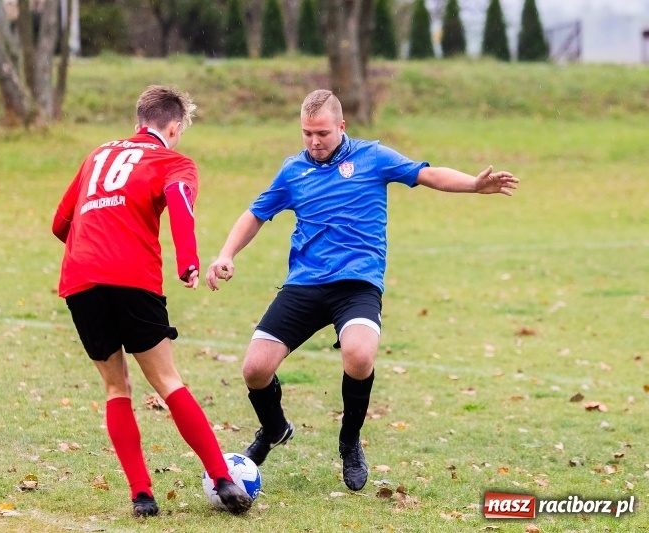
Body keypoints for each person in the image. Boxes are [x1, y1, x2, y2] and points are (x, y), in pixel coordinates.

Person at [205, 89, 518, 492]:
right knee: (255, 369)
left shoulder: (373, 157)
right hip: (305, 283)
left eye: (322, 133)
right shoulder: (292, 171)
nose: (314, 142)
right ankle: (274, 428)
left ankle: (349, 442)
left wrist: (473, 185)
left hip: (357, 284)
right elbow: (255, 213)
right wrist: (226, 253)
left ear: (341, 126)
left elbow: (427, 174)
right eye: (306, 134)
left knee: (359, 354)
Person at [52, 85, 253, 517]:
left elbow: (59, 222)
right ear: (175, 128)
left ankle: (142, 496)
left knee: (114, 386)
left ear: (138, 121)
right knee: (167, 381)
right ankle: (222, 478)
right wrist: (188, 261)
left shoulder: (97, 155)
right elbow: (179, 203)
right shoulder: (173, 161)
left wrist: (92, 246)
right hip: (133, 278)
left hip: (80, 279)